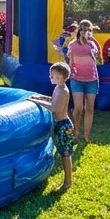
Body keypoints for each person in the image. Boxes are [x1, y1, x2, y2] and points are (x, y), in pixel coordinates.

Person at [28, 61, 74, 192]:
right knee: (63, 152)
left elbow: (54, 107)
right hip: (61, 125)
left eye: (53, 76)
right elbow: (52, 99)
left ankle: (68, 182)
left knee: (65, 154)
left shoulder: (63, 90)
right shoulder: (58, 88)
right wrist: (40, 97)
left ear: (61, 77)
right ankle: (67, 181)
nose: (51, 77)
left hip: (64, 125)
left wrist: (36, 101)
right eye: (51, 75)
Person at [66, 20, 101, 142]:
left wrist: (92, 43)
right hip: (77, 79)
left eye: (89, 30)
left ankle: (86, 136)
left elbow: (97, 56)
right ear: (80, 31)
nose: (87, 32)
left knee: (89, 109)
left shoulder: (92, 44)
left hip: (92, 80)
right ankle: (76, 131)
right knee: (79, 107)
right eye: (85, 30)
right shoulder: (73, 45)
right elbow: (69, 58)